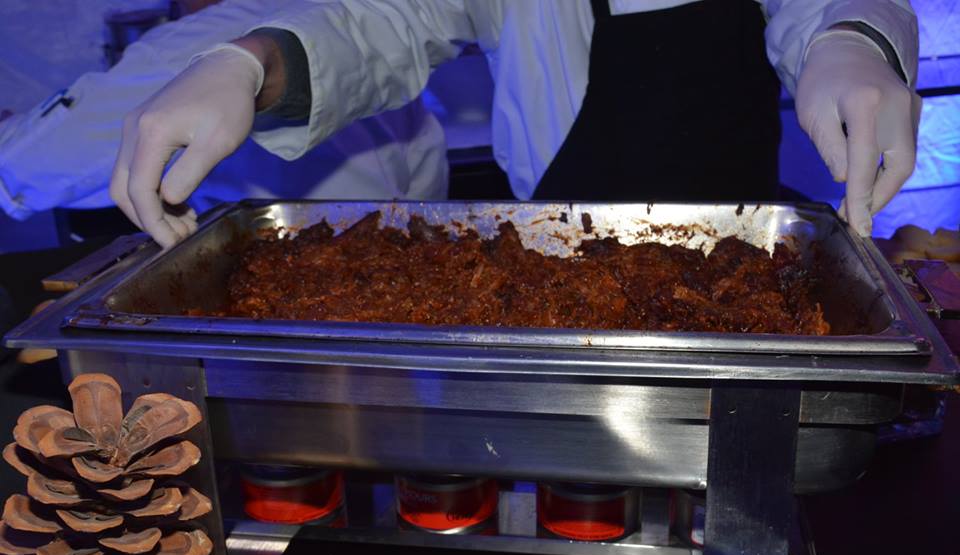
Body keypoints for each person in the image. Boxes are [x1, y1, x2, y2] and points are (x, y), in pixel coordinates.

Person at [111, 0, 922, 248]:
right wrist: (255, 62)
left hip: (738, 262)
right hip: (549, 261)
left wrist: (854, 38)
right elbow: (382, 21)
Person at [0, 0, 447, 226]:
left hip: (286, 304)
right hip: (415, 274)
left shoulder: (188, 46)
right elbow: (424, 166)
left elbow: (28, 166)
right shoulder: (352, 16)